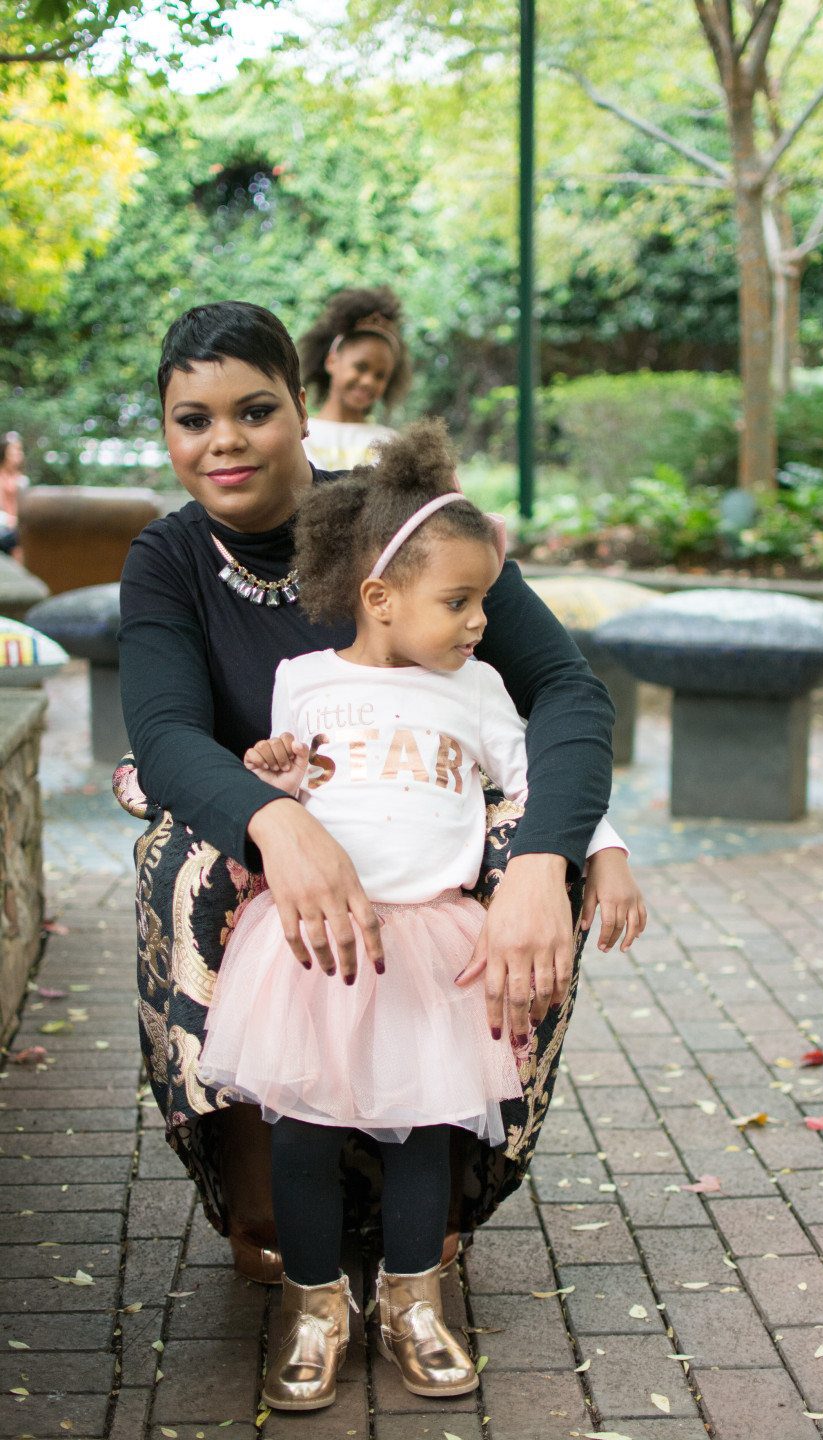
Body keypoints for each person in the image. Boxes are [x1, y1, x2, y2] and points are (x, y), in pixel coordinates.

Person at [116, 300, 642, 1293]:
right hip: (270, 821)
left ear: (301, 405)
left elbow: (566, 691)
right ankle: (266, 1204)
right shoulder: (169, 559)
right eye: (193, 419)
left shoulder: (399, 525)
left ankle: (439, 1199)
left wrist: (546, 860)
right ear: (169, 431)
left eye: (255, 410)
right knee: (180, 861)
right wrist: (277, 823)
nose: (224, 441)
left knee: (536, 852)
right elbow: (167, 734)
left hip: (422, 818)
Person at [195, 419, 642, 1410]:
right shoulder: (306, 681)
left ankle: (414, 1300)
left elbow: (540, 780)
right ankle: (315, 1306)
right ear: (380, 599)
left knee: (422, 1135)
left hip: (432, 940)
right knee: (303, 1134)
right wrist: (270, 771)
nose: (481, 621)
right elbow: (287, 783)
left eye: (484, 599)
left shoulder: (477, 691)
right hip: (321, 947)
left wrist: (604, 852)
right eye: (458, 601)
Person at [298, 286, 410, 470]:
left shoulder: (391, 443)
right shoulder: (300, 435)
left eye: (380, 375)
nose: (368, 381)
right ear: (331, 361)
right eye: (360, 367)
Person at [0, 431, 28, 557]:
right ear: (4, 452)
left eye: (19, 449)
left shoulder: (22, 480)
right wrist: (11, 521)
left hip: (19, 528)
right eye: (14, 449)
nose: (18, 453)